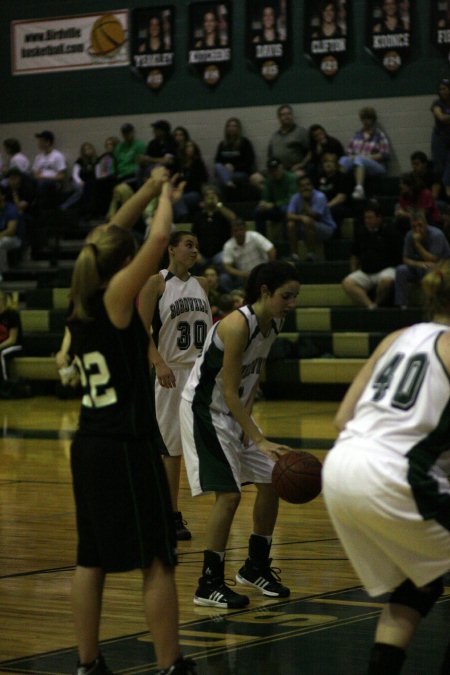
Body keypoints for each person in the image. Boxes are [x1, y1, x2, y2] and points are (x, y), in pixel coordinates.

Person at [67, 169, 196, 675]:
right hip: (126, 444)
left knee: (91, 558)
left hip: (89, 443)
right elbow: (160, 237)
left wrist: (145, 189)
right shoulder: (117, 299)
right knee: (158, 559)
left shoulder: (80, 295)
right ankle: (171, 665)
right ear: (126, 265)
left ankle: (87, 663)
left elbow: (105, 237)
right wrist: (165, 196)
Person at [322, 260, 450, 675]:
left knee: (420, 581)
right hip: (394, 475)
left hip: (341, 467)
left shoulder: (398, 336)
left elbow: (343, 417)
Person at [179, 261, 300, 608]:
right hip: (205, 411)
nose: (291, 303)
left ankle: (255, 566)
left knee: (273, 478)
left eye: (294, 296)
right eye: (286, 296)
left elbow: (255, 372)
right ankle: (208, 583)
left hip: (235, 411)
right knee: (229, 496)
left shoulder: (275, 321)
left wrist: (251, 428)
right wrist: (258, 437)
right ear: (264, 291)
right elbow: (229, 390)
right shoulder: (235, 326)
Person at [138, 231, 212, 541]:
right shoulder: (156, 283)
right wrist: (158, 363)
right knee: (171, 451)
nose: (195, 250)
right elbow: (139, 331)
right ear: (170, 249)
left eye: (197, 244)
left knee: (201, 443)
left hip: (198, 372)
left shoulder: (202, 284)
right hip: (169, 373)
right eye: (188, 244)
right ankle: (170, 515)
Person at [342, 199, 402, 309]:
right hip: (366, 271)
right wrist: (353, 271)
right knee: (347, 283)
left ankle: (377, 302)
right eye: (366, 218)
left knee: (386, 281)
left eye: (370, 218)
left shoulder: (390, 231)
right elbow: (354, 255)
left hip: (385, 269)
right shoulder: (361, 232)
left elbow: (398, 255)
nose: (367, 220)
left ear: (379, 218)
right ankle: (370, 305)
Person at [395, 211, 450, 308]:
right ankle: (402, 306)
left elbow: (433, 259)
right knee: (401, 270)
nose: (417, 229)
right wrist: (418, 264)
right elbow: (405, 259)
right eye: (414, 226)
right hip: (419, 267)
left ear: (426, 224)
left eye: (420, 225)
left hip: (442, 267)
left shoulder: (436, 235)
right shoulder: (409, 235)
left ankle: (429, 306)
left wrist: (417, 244)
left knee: (429, 269)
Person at [339, 107, 390, 200]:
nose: (366, 121)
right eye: (363, 119)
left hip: (376, 165)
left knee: (360, 159)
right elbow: (349, 151)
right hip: (357, 162)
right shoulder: (357, 134)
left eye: (368, 118)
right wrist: (352, 157)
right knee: (342, 160)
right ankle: (338, 182)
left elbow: (385, 155)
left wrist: (366, 157)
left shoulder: (379, 135)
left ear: (373, 119)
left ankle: (359, 189)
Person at [287, 175, 336, 261]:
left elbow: (314, 216)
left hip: (325, 228)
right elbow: (289, 215)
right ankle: (294, 255)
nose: (306, 187)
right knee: (291, 224)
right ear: (298, 188)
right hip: (306, 227)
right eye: (302, 186)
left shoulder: (320, 196)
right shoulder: (295, 197)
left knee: (308, 222)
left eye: (308, 185)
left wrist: (304, 201)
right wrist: (301, 217)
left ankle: (311, 255)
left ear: (312, 186)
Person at [222, 219, 276, 290]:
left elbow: (271, 250)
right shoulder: (228, 245)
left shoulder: (254, 236)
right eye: (235, 231)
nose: (239, 233)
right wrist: (243, 274)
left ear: (245, 229)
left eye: (241, 229)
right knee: (224, 278)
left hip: (262, 271)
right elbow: (227, 267)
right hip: (243, 276)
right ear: (231, 232)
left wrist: (269, 268)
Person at [191, 186, 235, 270]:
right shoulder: (199, 216)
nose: (210, 197)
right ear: (204, 199)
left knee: (223, 260)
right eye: (208, 195)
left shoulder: (223, 213)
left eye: (213, 195)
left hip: (220, 253)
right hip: (202, 254)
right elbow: (193, 236)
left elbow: (234, 219)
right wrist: (196, 252)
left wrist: (218, 204)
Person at [254, 158, 297, 236]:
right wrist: (263, 203)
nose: (274, 172)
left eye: (276, 169)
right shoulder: (269, 180)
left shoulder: (292, 178)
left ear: (281, 167)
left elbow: (292, 199)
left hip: (289, 209)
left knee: (285, 209)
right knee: (258, 211)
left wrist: (274, 205)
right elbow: (265, 197)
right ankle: (261, 240)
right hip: (275, 209)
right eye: (271, 170)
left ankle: (285, 242)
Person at [214, 118, 256, 196]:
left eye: (234, 126)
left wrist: (234, 167)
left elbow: (249, 161)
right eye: (229, 126)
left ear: (238, 128)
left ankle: (227, 182)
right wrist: (226, 165)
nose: (231, 128)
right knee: (217, 167)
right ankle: (228, 183)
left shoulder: (245, 143)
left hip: (241, 172)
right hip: (225, 172)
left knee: (233, 177)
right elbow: (217, 161)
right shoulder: (222, 144)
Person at [268, 105, 310, 176]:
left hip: (295, 169)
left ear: (292, 116)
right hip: (277, 169)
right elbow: (270, 154)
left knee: (298, 175)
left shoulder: (301, 132)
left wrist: (301, 165)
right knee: (256, 178)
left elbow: (310, 152)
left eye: (289, 114)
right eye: (283, 115)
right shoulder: (275, 135)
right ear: (279, 118)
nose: (286, 116)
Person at [173, 140, 208, 222]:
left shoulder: (198, 163)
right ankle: (182, 217)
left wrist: (204, 198)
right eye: (188, 146)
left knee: (178, 199)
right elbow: (174, 179)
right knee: (174, 198)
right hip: (180, 192)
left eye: (191, 146)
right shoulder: (178, 164)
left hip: (194, 193)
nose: (190, 149)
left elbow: (203, 181)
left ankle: (184, 216)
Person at [32, 130, 67, 209]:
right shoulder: (38, 157)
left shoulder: (57, 156)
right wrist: (38, 176)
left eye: (41, 141)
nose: (38, 143)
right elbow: (35, 173)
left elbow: (61, 176)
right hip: (39, 180)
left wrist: (44, 177)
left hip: (53, 183)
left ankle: (38, 206)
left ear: (47, 142)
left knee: (43, 184)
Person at [431, 78, 450, 199]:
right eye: (441, 89)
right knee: (439, 166)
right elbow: (441, 117)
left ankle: (447, 186)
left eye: (445, 88)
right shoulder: (437, 103)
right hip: (440, 138)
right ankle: (437, 194)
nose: (443, 91)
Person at [0, 186, 24, 282]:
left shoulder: (11, 209)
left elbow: (11, 230)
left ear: (3, 196)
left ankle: (2, 271)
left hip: (15, 239)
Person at [0, 289, 22, 387]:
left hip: (16, 345)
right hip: (3, 345)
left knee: (1, 354)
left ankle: (4, 383)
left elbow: (12, 339)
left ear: (2, 300)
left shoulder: (12, 314)